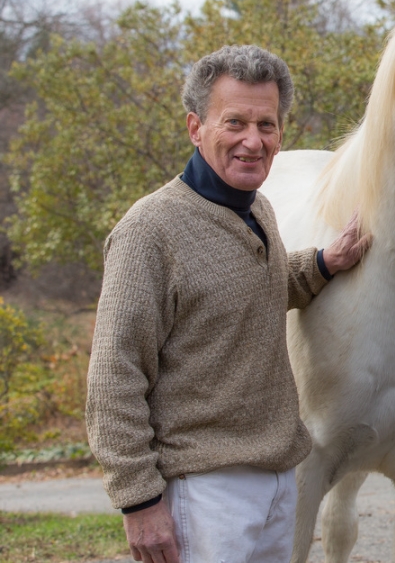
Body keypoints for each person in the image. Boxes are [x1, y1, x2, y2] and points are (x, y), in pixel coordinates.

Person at [85, 44, 371, 563]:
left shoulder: (257, 209)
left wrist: (326, 262)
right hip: (204, 492)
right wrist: (139, 502)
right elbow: (113, 375)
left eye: (267, 124)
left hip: (280, 480)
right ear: (196, 128)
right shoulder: (149, 231)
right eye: (234, 122)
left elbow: (254, 290)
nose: (253, 140)